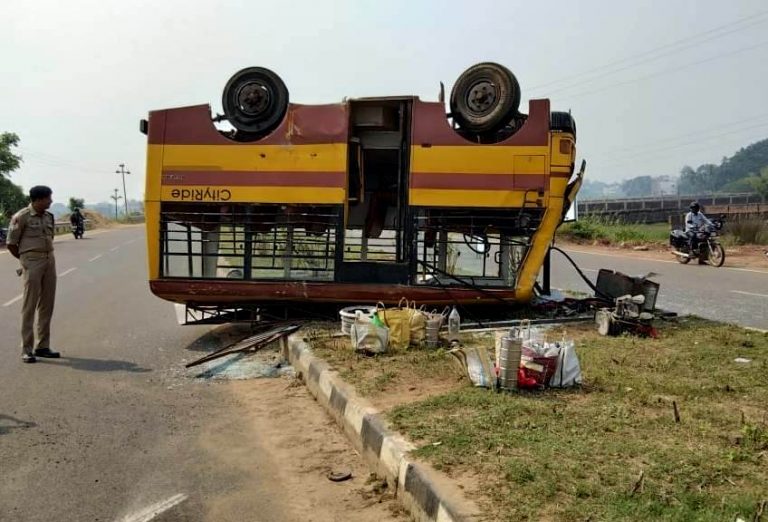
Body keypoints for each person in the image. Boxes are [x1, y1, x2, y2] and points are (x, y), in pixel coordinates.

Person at [6, 186, 61, 363]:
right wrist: (26, 261)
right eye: (48, 198)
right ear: (38, 199)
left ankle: (43, 346)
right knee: (29, 306)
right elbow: (11, 244)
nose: (51, 201)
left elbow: (49, 238)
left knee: (47, 304)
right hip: (32, 261)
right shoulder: (21, 217)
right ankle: (27, 349)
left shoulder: (48, 216)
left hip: (49, 260)